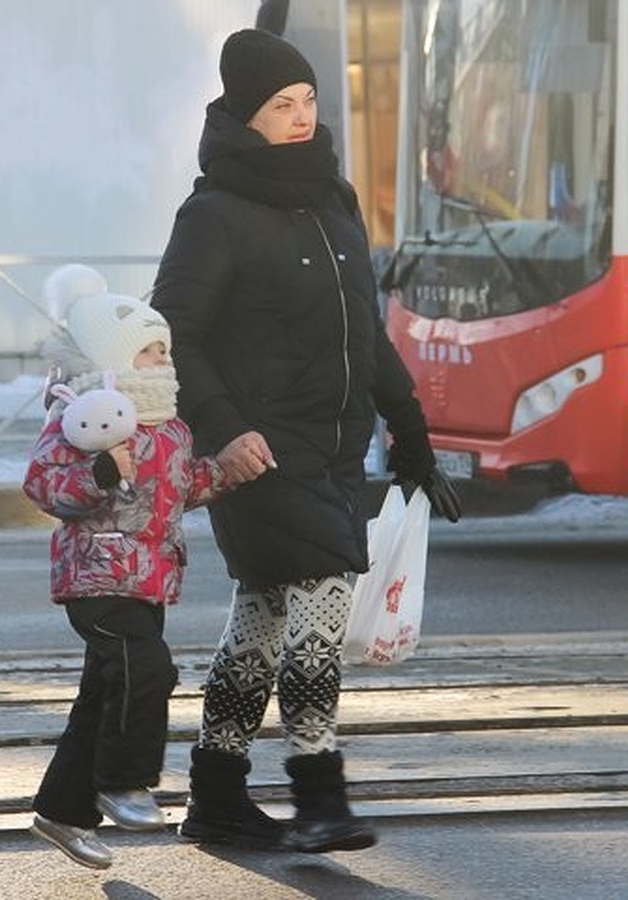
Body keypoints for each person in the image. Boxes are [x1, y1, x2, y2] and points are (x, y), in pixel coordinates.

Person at [152, 28, 462, 854]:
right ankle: (319, 791)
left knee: (257, 617)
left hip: (330, 452)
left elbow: (363, 327)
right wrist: (225, 432)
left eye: (308, 102)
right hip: (259, 455)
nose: (299, 118)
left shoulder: (334, 197)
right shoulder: (213, 211)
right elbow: (173, 334)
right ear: (245, 116)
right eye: (280, 106)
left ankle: (216, 793)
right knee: (324, 598)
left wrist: (411, 428)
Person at [23, 264, 238, 869]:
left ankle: (62, 812)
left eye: (163, 351)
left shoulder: (167, 427)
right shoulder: (84, 414)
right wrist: (100, 472)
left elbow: (176, 487)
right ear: (113, 357)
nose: (160, 362)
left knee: (103, 694)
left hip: (146, 578)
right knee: (146, 669)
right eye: (146, 352)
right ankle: (124, 781)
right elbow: (44, 486)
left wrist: (221, 473)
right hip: (96, 574)